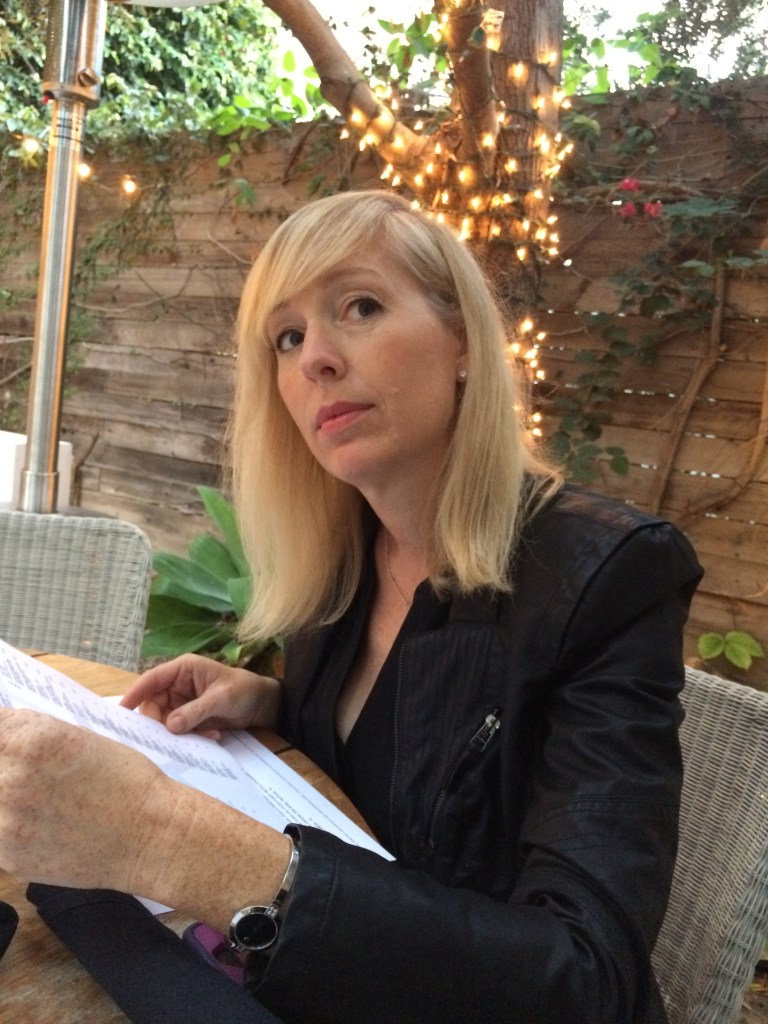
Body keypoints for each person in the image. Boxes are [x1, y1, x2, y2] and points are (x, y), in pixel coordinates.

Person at [0, 190, 702, 1024]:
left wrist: (162, 835)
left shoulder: (607, 575)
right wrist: (279, 701)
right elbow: (404, 771)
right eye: (287, 337)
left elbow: (585, 982)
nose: (316, 360)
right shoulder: (343, 560)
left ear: (463, 339)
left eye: (360, 306)